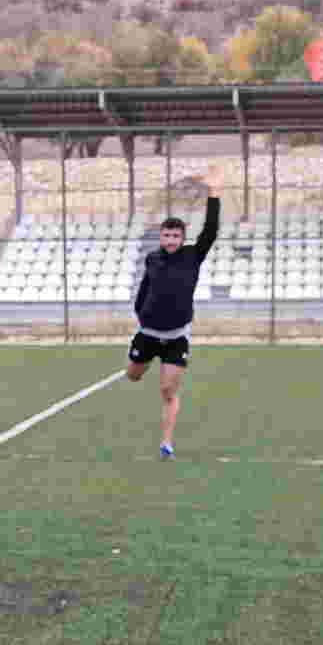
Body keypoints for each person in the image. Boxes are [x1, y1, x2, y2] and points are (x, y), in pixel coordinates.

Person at [127, 171, 222, 458]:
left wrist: (214, 194)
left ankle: (166, 443)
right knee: (132, 376)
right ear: (161, 236)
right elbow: (144, 289)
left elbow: (210, 231)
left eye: (176, 235)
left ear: (183, 238)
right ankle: (142, 360)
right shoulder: (152, 258)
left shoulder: (193, 255)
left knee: (168, 391)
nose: (170, 239)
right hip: (147, 334)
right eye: (166, 235)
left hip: (176, 337)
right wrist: (141, 314)